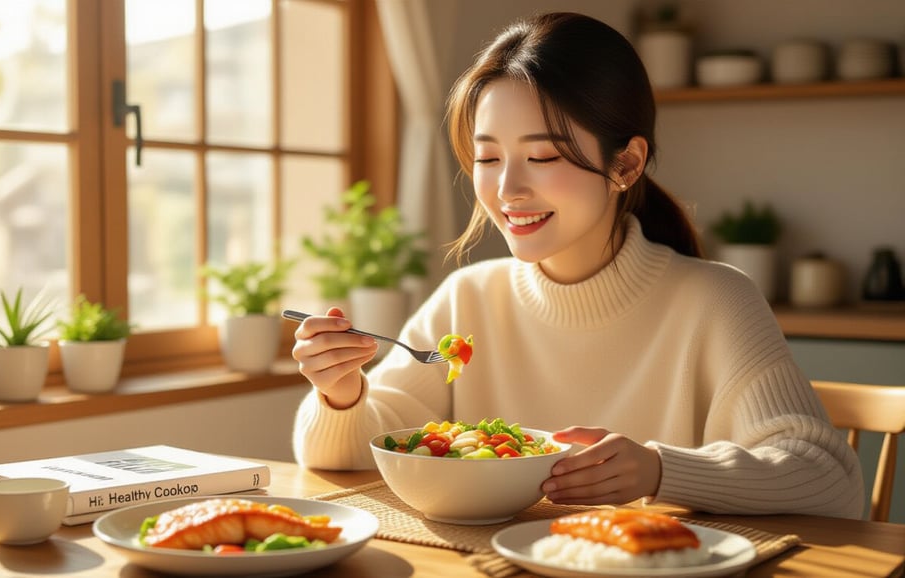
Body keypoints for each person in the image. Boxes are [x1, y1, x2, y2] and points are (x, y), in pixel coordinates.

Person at [288, 12, 863, 518]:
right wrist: (341, 394)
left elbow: (830, 479)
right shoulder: (469, 298)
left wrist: (660, 471)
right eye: (488, 157)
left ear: (627, 164)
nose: (507, 189)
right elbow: (354, 448)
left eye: (541, 156)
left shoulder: (715, 301)